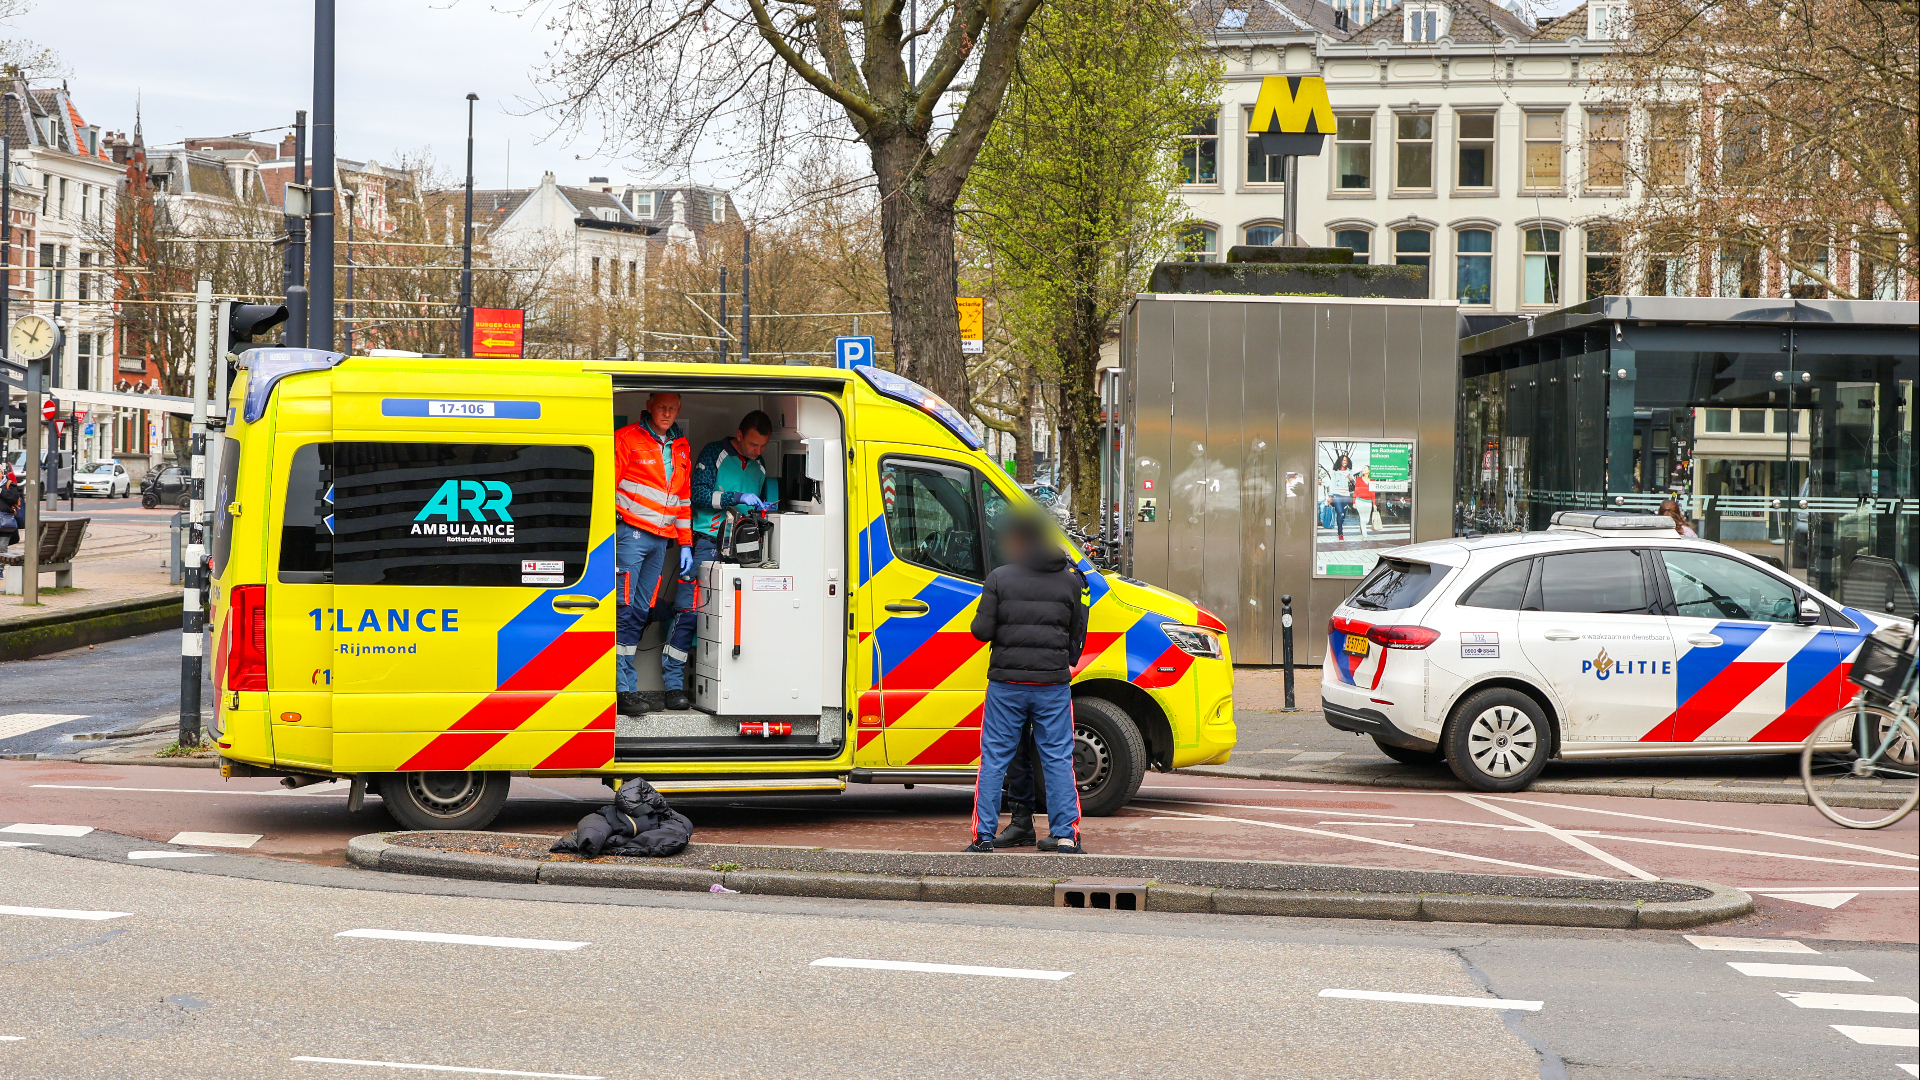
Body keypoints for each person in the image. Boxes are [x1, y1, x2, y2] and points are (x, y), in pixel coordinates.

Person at [966, 509, 1090, 854]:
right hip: (1052, 684)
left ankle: (984, 837)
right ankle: (1066, 835)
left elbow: (981, 631)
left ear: (1019, 540)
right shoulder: (1071, 581)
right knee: (1057, 758)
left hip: (1007, 683)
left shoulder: (1000, 578)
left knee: (994, 758)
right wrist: (1061, 661)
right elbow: (1076, 633)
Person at [661, 410, 775, 710]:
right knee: (690, 611)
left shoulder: (760, 464)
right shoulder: (715, 453)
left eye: (763, 446)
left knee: (741, 615)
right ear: (739, 435)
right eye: (753, 445)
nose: (758, 451)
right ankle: (673, 684)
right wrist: (735, 497)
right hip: (708, 543)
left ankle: (735, 685)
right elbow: (697, 494)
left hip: (743, 548)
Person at [614, 392, 692, 717]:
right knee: (624, 609)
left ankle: (627, 688)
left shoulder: (682, 447)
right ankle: (623, 689)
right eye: (662, 407)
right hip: (630, 534)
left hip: (662, 541)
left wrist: (685, 543)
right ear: (649, 406)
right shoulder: (627, 439)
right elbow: (607, 486)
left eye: (673, 409)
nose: (667, 413)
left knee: (641, 612)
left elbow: (683, 500)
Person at [1328, 451, 1356, 540]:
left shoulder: (1349, 472)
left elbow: (1354, 483)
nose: (1345, 462)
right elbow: (1332, 484)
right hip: (1337, 495)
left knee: (1343, 514)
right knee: (1339, 513)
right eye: (1343, 460)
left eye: (1346, 461)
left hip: (1346, 495)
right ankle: (1340, 533)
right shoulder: (1335, 473)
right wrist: (1330, 496)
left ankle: (1340, 523)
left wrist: (1351, 478)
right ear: (1340, 461)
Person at [1352, 466, 1375, 540]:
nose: (1363, 470)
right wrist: (1354, 502)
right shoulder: (1358, 479)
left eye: (1365, 468)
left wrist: (1374, 504)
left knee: (1367, 520)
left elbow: (1373, 493)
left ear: (1369, 471)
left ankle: (1361, 527)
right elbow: (1355, 491)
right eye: (1362, 469)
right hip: (1360, 501)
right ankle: (1365, 535)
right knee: (1363, 518)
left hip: (1368, 501)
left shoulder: (1372, 480)